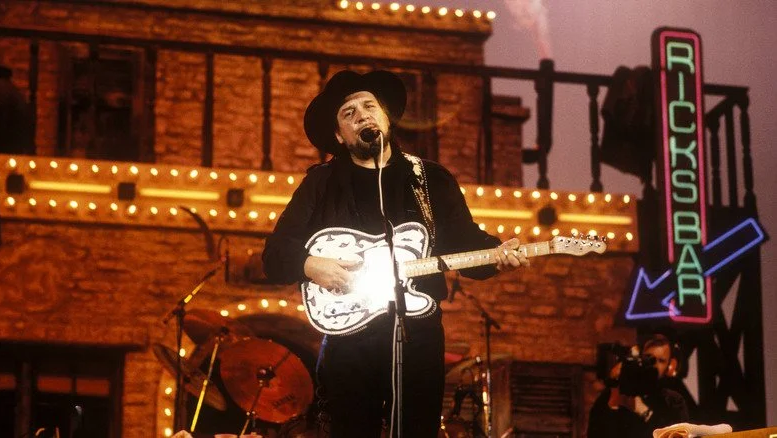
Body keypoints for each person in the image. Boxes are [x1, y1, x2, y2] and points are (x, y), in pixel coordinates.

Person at [261, 70, 528, 437]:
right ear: (340, 135)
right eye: (349, 112)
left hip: (418, 335)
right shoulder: (321, 183)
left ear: (386, 117)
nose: (362, 115)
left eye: (369, 106)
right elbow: (274, 255)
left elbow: (463, 244)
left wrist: (497, 255)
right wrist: (310, 265)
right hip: (347, 340)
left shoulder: (429, 179)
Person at [587, 334, 690, 438]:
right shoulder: (614, 393)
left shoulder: (673, 401)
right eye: (649, 358)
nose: (654, 365)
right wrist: (613, 402)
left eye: (661, 361)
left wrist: (644, 411)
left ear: (669, 366)